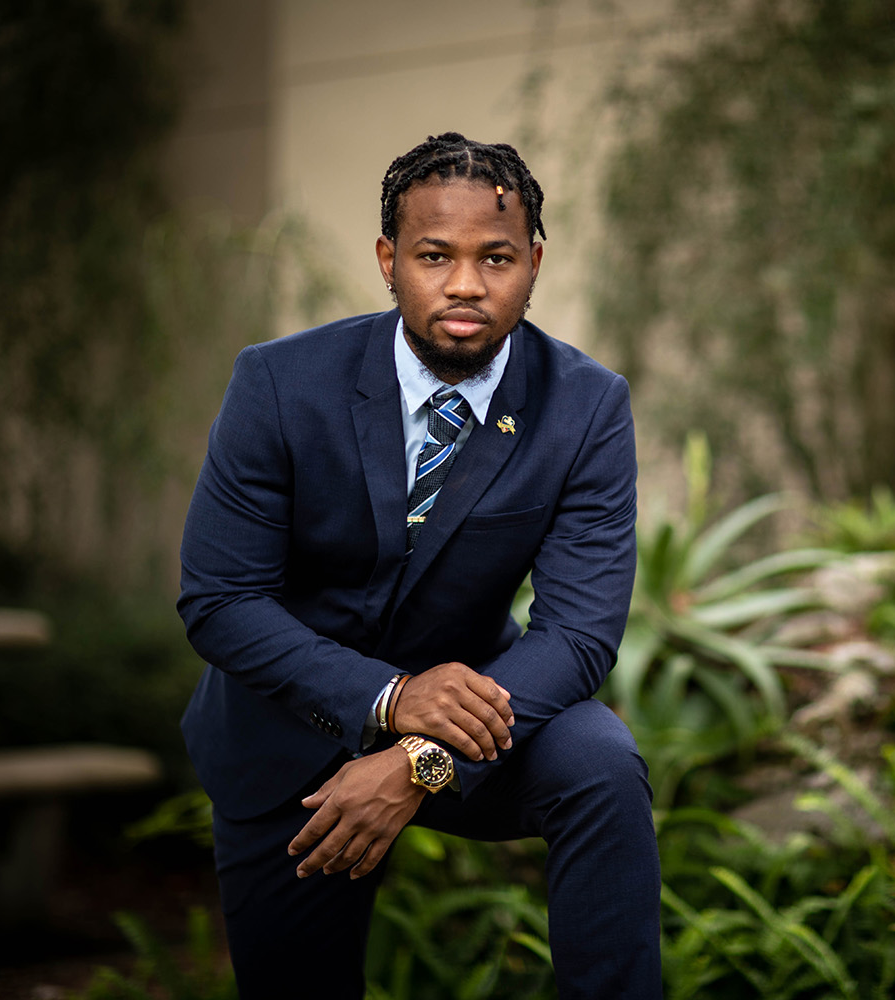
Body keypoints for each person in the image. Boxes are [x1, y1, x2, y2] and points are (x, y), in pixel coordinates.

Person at [177, 131, 661, 999]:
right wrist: (392, 698)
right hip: (286, 732)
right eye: (436, 255)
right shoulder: (280, 385)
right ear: (389, 260)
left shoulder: (584, 406)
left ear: (536, 263)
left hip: (475, 725)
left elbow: (580, 635)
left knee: (599, 762)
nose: (467, 285)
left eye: (497, 257)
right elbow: (220, 601)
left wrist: (417, 756)